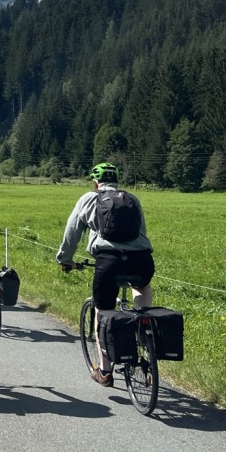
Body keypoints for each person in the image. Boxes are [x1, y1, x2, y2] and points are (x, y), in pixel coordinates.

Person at [56, 163, 155, 386]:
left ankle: (105, 371)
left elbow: (72, 232)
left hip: (109, 261)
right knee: (142, 288)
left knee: (103, 312)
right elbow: (142, 232)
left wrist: (65, 259)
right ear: (117, 181)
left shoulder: (89, 199)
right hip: (142, 258)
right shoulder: (132, 199)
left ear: (95, 182)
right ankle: (143, 330)